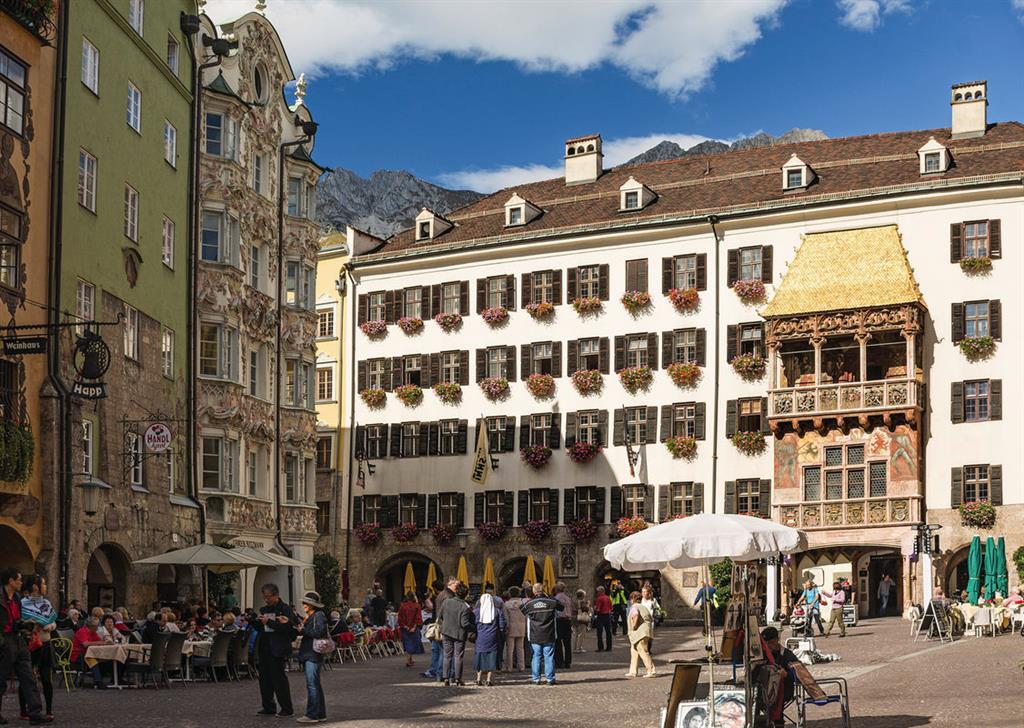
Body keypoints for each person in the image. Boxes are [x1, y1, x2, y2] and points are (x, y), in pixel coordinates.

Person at [0, 569, 49, 724]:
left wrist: (25, 625)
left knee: (28, 677)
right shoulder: (1, 598)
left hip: (18, 639)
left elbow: (17, 619)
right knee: (1, 679)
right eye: (19, 579)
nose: (21, 582)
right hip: (4, 640)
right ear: (10, 581)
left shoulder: (16, 598)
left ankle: (35, 713)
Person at [253, 583, 298, 717]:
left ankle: (286, 708)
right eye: (264, 597)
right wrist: (256, 622)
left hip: (278, 648)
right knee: (264, 679)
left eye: (268, 597)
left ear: (276, 595)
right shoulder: (264, 609)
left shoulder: (285, 609)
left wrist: (269, 623)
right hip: (265, 647)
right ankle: (268, 706)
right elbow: (262, 628)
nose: (266, 600)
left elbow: (287, 628)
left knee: (279, 679)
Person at [19, 575, 56, 722]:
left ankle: (48, 710)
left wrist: (50, 626)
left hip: (46, 643)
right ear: (35, 586)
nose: (45, 587)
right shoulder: (23, 603)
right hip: (31, 645)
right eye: (44, 584)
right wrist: (30, 624)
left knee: (47, 678)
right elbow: (20, 622)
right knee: (27, 678)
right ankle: (24, 711)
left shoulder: (46, 602)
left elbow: (54, 622)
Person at [295, 591, 328, 724]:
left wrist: (304, 631)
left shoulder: (318, 616)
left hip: (313, 653)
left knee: (312, 684)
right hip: (311, 652)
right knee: (315, 684)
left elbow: (319, 632)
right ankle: (320, 713)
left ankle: (312, 714)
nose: (303, 605)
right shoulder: (311, 616)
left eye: (305, 603)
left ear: (311, 605)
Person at [520, 582, 562, 686]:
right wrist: (549, 597)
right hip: (549, 633)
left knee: (536, 656)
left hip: (535, 633)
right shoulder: (551, 601)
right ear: (543, 590)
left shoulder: (530, 604)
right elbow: (561, 607)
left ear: (534, 591)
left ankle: (536, 679)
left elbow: (522, 610)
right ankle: (550, 679)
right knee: (549, 656)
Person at [438, 582, 474, 686]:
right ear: (465, 595)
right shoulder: (464, 607)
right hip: (459, 634)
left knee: (447, 655)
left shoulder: (446, 602)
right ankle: (458, 678)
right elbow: (465, 623)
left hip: (446, 632)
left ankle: (445, 678)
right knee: (458, 656)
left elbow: (440, 616)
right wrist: (474, 628)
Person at [473, 592, 506, 686]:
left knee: (479, 657)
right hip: (493, 637)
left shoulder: (476, 611)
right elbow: (502, 625)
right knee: (491, 657)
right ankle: (488, 679)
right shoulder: (497, 611)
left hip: (480, 637)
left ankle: (478, 678)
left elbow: (472, 624)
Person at [70, 617, 108, 690]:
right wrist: (100, 643)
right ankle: (98, 681)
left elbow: (99, 641)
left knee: (104, 658)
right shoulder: (82, 631)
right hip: (77, 656)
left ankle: (99, 678)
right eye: (97, 625)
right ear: (92, 626)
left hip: (87, 653)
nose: (98, 627)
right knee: (92, 660)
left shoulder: (92, 632)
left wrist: (105, 642)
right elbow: (85, 644)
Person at [625, 591, 656, 678]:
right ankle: (633, 671)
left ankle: (651, 671)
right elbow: (651, 618)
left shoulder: (634, 607)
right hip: (644, 633)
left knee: (643, 652)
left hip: (639, 633)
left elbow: (635, 615)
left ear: (632, 599)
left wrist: (634, 625)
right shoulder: (643, 607)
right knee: (634, 651)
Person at [502, 586, 526, 671]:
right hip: (521, 626)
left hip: (511, 627)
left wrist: (506, 627)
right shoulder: (523, 604)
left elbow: (505, 617)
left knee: (510, 648)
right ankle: (521, 666)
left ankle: (509, 667)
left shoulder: (506, 604)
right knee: (520, 648)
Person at [397, 591, 423, 668]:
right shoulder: (417, 605)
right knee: (413, 643)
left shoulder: (402, 606)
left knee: (407, 643)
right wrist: (414, 627)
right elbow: (418, 617)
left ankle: (410, 659)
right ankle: (408, 660)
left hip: (405, 628)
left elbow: (400, 618)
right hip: (414, 628)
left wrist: (405, 626)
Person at [552, 582, 574, 669]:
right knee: (567, 643)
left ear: (556, 589)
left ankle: (559, 661)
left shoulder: (556, 599)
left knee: (558, 642)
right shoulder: (568, 598)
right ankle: (568, 662)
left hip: (559, 621)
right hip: (567, 621)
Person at [593, 585, 613, 651]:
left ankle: (600, 648)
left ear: (600, 591)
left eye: (597, 592)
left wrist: (594, 609)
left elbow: (598, 609)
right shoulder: (607, 598)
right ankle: (609, 647)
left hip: (601, 616)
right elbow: (611, 607)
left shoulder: (599, 598)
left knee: (599, 633)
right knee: (608, 632)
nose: (597, 593)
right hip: (608, 615)